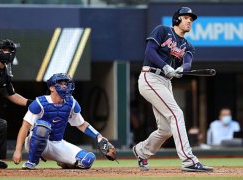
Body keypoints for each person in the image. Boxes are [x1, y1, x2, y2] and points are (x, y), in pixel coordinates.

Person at [132, 7, 213, 172]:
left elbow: (188, 61)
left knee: (166, 129)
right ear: (177, 19)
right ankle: (189, 160)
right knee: (177, 114)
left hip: (166, 82)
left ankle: (141, 151)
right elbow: (149, 51)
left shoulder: (188, 45)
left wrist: (183, 68)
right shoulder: (162, 30)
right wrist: (165, 65)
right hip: (151, 77)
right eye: (186, 18)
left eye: (191, 19)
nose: (189, 21)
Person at [12, 73, 114, 169]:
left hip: (57, 143)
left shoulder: (71, 103)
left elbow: (81, 124)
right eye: (60, 84)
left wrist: (99, 137)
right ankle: (32, 161)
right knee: (42, 127)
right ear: (51, 87)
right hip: (35, 141)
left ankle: (64, 162)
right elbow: (25, 127)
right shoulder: (39, 103)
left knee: (87, 160)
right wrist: (18, 150)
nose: (64, 86)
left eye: (66, 84)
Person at [0, 39, 33, 169]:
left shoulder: (5, 73)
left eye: (10, 51)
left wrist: (30, 103)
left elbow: (11, 94)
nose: (8, 53)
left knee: (0, 125)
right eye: (4, 50)